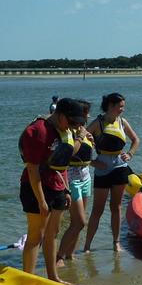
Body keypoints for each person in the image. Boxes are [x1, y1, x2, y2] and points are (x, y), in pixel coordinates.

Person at [18, 98, 87, 283]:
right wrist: (41, 201)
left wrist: (66, 190)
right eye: (72, 122)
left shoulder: (65, 131)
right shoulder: (37, 131)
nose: (73, 127)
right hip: (35, 187)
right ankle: (28, 281)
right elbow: (32, 169)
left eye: (77, 124)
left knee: (52, 234)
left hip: (57, 186)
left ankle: (53, 277)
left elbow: (62, 163)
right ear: (61, 115)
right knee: (35, 236)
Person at [83, 93, 139, 252]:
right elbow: (79, 145)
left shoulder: (122, 122)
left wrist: (130, 154)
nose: (123, 109)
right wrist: (92, 162)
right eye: (120, 106)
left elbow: (136, 140)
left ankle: (116, 243)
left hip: (120, 167)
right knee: (97, 210)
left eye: (123, 106)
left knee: (116, 206)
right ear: (110, 106)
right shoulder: (97, 123)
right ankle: (87, 246)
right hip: (102, 168)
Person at [56, 100, 94, 265]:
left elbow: (89, 154)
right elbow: (70, 153)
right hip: (71, 177)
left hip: (85, 175)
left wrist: (90, 140)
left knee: (78, 222)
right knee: (79, 222)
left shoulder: (83, 131)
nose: (88, 117)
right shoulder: (69, 132)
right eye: (86, 114)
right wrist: (81, 136)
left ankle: (70, 254)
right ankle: (59, 257)